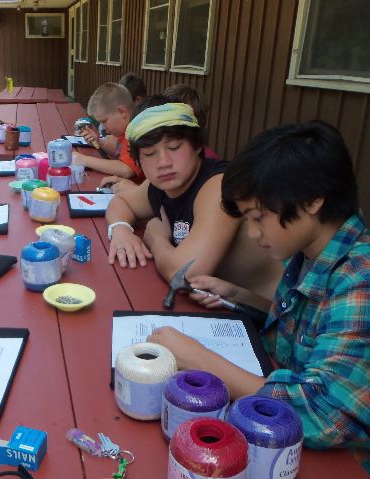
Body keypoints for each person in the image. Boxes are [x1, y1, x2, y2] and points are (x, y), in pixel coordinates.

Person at [148, 122, 369, 470]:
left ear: (313, 199)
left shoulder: (359, 278)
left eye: (258, 217)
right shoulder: (309, 253)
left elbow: (325, 415)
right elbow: (310, 332)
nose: (252, 233)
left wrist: (200, 359)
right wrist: (239, 296)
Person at [105, 103, 281, 300]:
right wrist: (120, 231)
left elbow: (184, 275)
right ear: (139, 161)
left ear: (197, 146)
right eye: (149, 154)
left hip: (271, 311)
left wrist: (157, 240)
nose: (164, 162)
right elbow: (121, 202)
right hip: (218, 305)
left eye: (174, 147)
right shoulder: (160, 185)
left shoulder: (219, 186)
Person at [71, 82, 146, 183]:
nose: (103, 127)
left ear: (121, 112)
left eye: (104, 121)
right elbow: (120, 152)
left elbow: (126, 169)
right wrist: (99, 142)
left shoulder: (137, 131)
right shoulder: (125, 130)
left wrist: (83, 160)